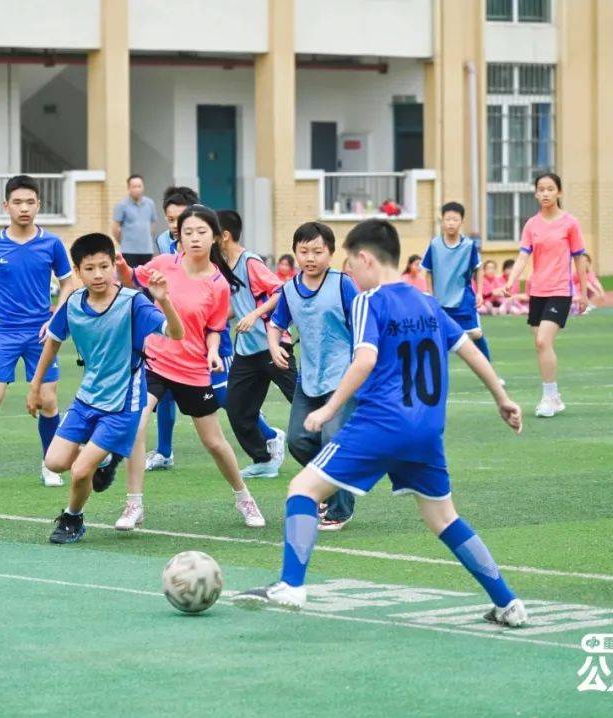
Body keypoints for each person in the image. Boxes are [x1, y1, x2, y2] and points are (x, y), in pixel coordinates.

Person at [233, 219, 527, 629]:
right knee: (444, 519)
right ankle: (508, 602)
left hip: (381, 423)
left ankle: (291, 585)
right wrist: (502, 398)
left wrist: (329, 409)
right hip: (426, 431)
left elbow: (365, 359)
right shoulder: (428, 303)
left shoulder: (369, 301)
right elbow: (469, 350)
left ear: (366, 259)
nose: (350, 272)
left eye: (352, 263)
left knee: (302, 488)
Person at [25, 233, 184, 544]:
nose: (98, 275)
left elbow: (176, 334)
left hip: (123, 404)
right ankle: (107, 459)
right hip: (87, 399)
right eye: (89, 268)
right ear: (77, 271)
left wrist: (164, 300)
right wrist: (35, 385)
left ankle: (72, 518)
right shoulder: (73, 303)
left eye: (104, 266)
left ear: (114, 265)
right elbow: (53, 342)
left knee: (80, 471)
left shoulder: (133, 302)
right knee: (54, 462)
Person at [115, 204, 266, 531]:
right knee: (136, 427)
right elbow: (133, 280)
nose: (195, 238)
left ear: (215, 237)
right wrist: (121, 267)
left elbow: (215, 328)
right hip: (155, 359)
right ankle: (134, 504)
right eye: (188, 232)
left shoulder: (218, 284)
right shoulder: (163, 264)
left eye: (201, 232)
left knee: (214, 442)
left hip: (193, 369)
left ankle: (243, 497)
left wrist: (212, 352)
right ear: (179, 238)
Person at [0, 175, 76, 492]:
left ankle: (50, 465)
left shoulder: (51, 243)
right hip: (3, 333)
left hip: (41, 334)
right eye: (17, 202)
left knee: (48, 400)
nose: (24, 208)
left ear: (39, 205)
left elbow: (68, 283)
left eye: (30, 202)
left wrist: (56, 318)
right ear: (6, 206)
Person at [269, 221, 361, 531]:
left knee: (331, 438)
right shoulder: (289, 289)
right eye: (304, 251)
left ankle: (339, 510)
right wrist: (274, 346)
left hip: (343, 377)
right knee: (298, 440)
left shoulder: (343, 284)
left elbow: (363, 323)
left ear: (330, 253)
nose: (310, 258)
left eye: (318, 251)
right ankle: (329, 486)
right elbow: (276, 323)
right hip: (308, 378)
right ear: (295, 252)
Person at [503, 172, 588, 418]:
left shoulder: (570, 223)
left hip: (560, 291)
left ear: (559, 192)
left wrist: (583, 292)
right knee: (542, 345)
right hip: (537, 291)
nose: (545, 194)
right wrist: (511, 280)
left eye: (550, 189)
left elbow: (579, 259)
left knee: (543, 341)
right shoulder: (532, 224)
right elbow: (523, 256)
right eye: (541, 189)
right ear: (536, 194)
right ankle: (555, 396)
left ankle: (548, 397)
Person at [219, 209, 297, 479]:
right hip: (247, 351)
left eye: (207, 232)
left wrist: (253, 315)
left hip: (273, 345)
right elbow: (238, 305)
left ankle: (337, 448)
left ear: (224, 236)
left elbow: (281, 291)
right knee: (237, 407)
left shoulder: (250, 262)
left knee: (301, 400)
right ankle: (264, 459)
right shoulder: (224, 266)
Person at [146, 186, 200, 471]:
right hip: (171, 326)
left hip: (202, 332)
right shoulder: (162, 241)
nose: (176, 226)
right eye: (170, 219)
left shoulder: (206, 242)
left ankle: (267, 435)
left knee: (225, 396)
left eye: (181, 218)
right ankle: (164, 451)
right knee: (164, 388)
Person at [423, 202, 494, 364]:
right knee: (437, 337)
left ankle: (489, 370)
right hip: (440, 301)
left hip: (464, 299)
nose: (451, 223)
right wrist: (430, 296)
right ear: (442, 221)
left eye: (455, 220)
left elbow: (478, 269)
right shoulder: (434, 245)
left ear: (461, 221)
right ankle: (433, 374)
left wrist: (479, 293)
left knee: (475, 333)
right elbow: (428, 271)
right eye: (448, 219)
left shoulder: (469, 246)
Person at [112, 174, 159, 268]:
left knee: (145, 276)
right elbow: (115, 228)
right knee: (130, 276)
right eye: (134, 187)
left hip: (147, 251)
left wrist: (147, 237)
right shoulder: (122, 205)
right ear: (129, 188)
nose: (137, 189)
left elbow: (153, 224)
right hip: (128, 251)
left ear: (143, 187)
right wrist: (123, 242)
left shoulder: (150, 203)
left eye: (139, 186)